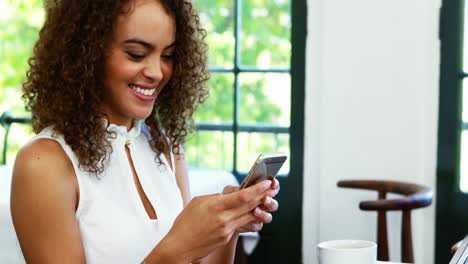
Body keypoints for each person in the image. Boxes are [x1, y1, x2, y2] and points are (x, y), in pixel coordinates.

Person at [10, 0, 280, 263]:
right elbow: (178, 253)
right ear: (87, 51)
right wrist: (178, 247)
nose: (156, 72)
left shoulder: (165, 147)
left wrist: (227, 226)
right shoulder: (43, 164)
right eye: (136, 54)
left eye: (167, 56)